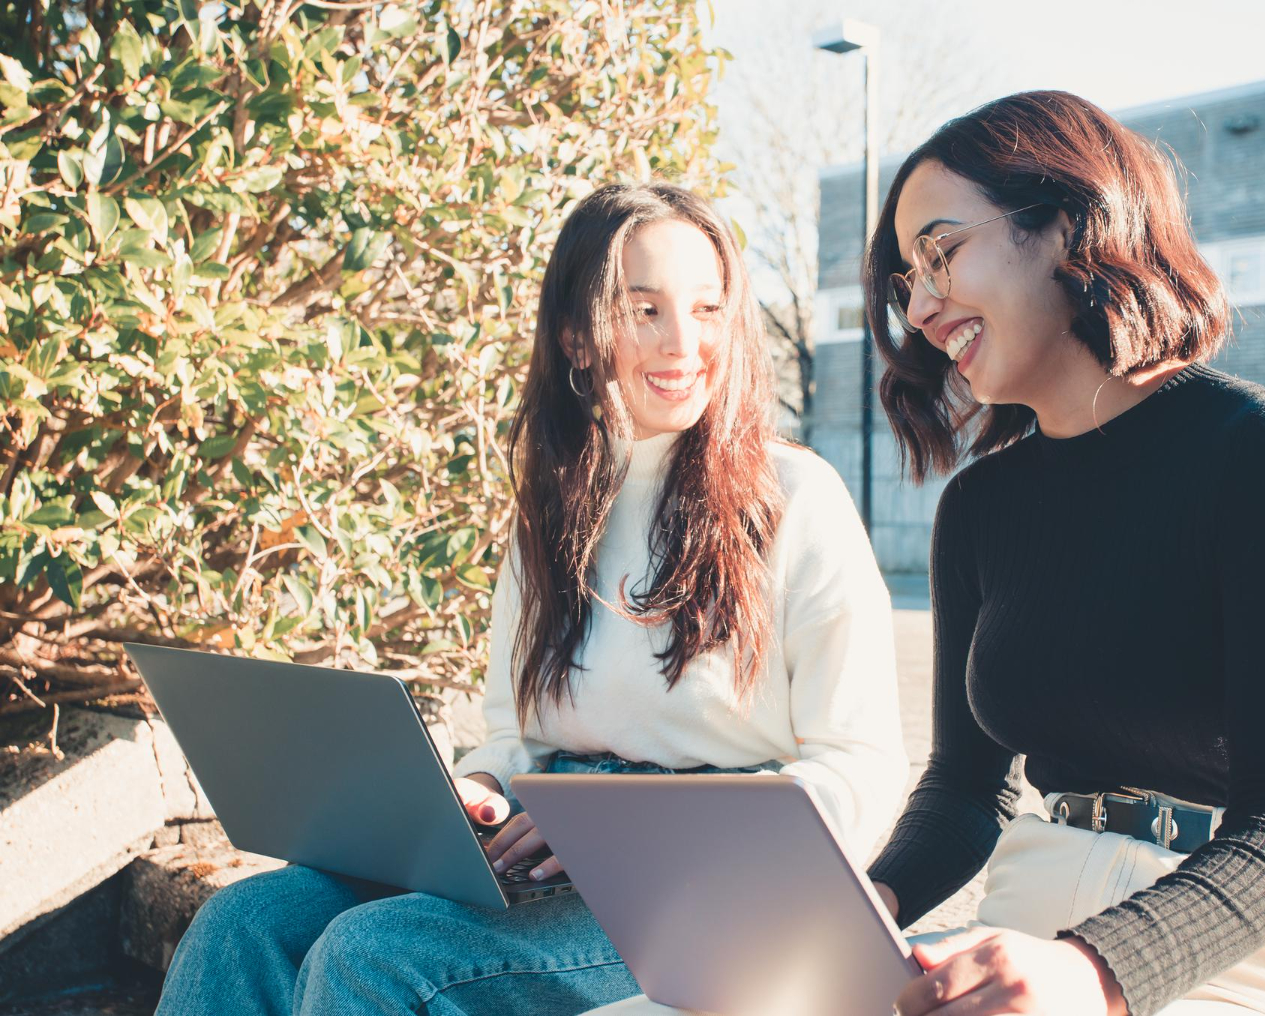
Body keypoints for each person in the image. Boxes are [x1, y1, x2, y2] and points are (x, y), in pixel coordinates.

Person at [583, 92, 1265, 1016]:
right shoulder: (979, 509)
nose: (922, 306)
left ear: (1064, 225)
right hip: (1032, 917)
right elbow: (969, 792)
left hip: (1252, 955)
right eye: (906, 279)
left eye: (941, 252)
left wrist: (1096, 970)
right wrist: (862, 912)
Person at [153, 182, 907, 1016]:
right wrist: (475, 792)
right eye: (644, 309)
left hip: (707, 882)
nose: (684, 342)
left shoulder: (795, 496)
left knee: (375, 958)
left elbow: (861, 767)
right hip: (546, 846)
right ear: (577, 337)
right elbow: (515, 736)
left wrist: (627, 824)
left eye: (707, 308)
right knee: (242, 921)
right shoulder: (553, 508)